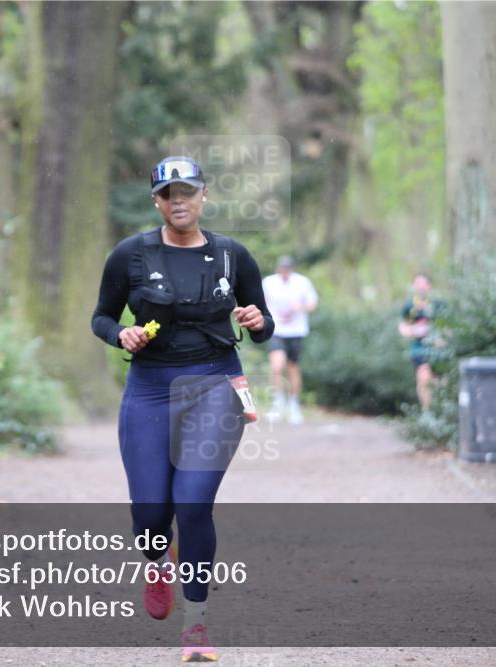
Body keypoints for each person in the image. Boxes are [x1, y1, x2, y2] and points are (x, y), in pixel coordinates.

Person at [91, 155, 274, 662]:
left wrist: (258, 321)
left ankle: (196, 626)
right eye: (169, 194)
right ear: (157, 201)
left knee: (193, 504)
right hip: (148, 388)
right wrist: (119, 333)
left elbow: (264, 326)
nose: (179, 201)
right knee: (151, 514)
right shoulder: (130, 255)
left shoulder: (233, 255)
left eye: (187, 192)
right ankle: (156, 560)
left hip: (216, 384)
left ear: (203, 196)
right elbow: (101, 317)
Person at [261, 255, 318, 424]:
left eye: (287, 269)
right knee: (276, 366)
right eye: (282, 269)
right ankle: (278, 403)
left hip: (295, 331)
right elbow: (260, 301)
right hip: (276, 329)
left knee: (293, 368)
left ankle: (294, 405)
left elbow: (312, 304)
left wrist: (300, 307)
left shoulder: (302, 282)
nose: (284, 272)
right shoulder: (269, 283)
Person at [398, 272, 440, 411]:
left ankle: (438, 411)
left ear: (429, 287)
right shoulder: (410, 306)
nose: (420, 287)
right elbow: (403, 328)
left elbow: (447, 329)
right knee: (424, 379)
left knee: (438, 383)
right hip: (419, 350)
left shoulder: (436, 305)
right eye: (417, 285)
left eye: (423, 284)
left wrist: (439, 337)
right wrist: (414, 331)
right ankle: (427, 412)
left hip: (438, 351)